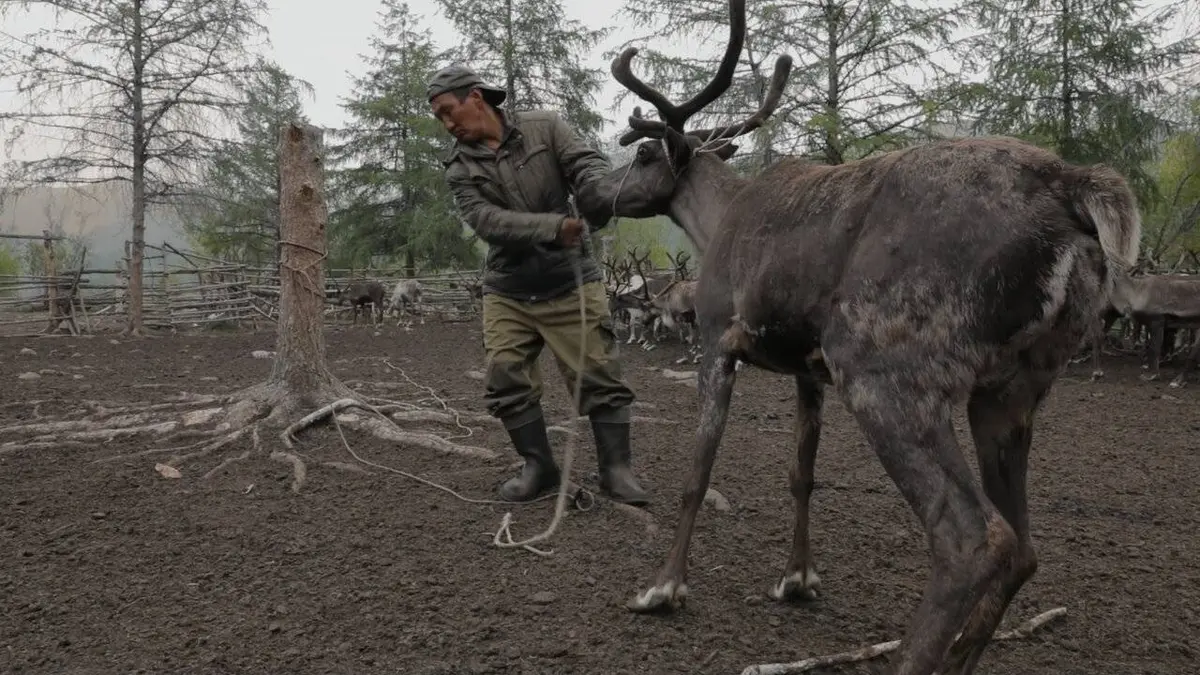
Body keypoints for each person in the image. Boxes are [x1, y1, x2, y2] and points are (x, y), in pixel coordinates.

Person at [426, 64, 650, 506]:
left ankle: (616, 470)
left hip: (570, 281)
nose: (447, 123)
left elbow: (586, 162)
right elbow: (486, 221)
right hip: (508, 289)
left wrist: (591, 190)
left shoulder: (545, 127)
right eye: (439, 118)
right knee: (505, 375)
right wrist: (553, 227)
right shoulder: (459, 166)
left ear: (476, 97)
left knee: (598, 373)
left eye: (449, 111)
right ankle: (539, 466)